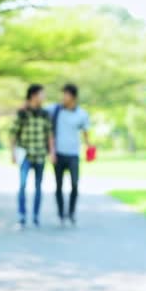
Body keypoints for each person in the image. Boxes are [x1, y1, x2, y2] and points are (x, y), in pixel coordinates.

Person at [10, 84, 56, 227]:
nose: (43, 97)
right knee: (22, 185)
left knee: (38, 186)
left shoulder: (45, 114)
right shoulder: (22, 113)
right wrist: (12, 153)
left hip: (40, 155)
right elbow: (13, 134)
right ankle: (22, 215)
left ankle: (36, 216)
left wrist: (52, 152)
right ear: (34, 95)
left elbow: (50, 135)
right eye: (41, 94)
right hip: (25, 155)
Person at [48, 84, 91, 226]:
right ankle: (61, 214)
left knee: (74, 184)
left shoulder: (82, 114)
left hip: (73, 154)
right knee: (58, 186)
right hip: (58, 154)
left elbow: (85, 132)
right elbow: (38, 108)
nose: (63, 98)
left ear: (73, 97)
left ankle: (71, 212)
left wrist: (89, 147)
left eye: (66, 95)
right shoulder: (55, 110)